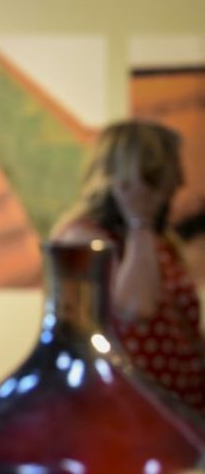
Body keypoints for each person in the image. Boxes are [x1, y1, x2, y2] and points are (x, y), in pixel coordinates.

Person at [54, 120, 205, 417]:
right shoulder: (84, 237)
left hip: (180, 407)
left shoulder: (153, 239)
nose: (179, 182)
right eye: (169, 172)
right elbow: (136, 308)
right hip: (128, 414)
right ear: (140, 177)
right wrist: (139, 220)